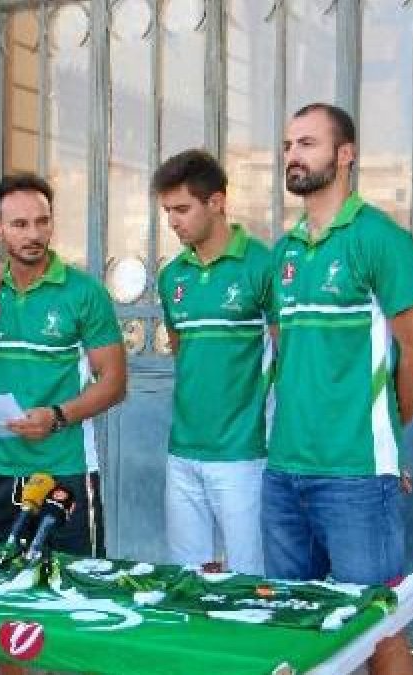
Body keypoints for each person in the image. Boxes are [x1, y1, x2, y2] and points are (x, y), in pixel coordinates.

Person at [264, 104, 413, 675]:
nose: (294, 155)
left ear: (346, 155)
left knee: (375, 626)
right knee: (295, 631)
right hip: (283, 473)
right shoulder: (284, 252)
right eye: (290, 144)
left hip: (356, 480)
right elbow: (283, 356)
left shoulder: (381, 240)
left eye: (308, 143)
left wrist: (386, 437)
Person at [0, 173, 127, 562]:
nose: (33, 234)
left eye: (42, 221)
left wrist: (57, 417)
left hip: (66, 468)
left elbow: (115, 382)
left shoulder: (83, 292)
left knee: (77, 588)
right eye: (20, 224)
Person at [152, 149, 274, 574]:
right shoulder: (172, 278)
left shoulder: (264, 266)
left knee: (249, 580)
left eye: (182, 209)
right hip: (182, 450)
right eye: (168, 211)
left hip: (245, 452)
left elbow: (288, 359)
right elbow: (181, 349)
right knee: (188, 578)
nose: (173, 221)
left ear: (217, 202)